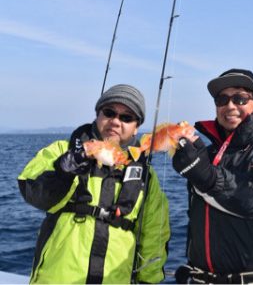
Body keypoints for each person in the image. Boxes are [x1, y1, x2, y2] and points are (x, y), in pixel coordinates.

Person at [18, 84, 170, 284]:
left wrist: (148, 280)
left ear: (137, 127)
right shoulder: (62, 150)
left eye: (126, 118)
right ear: (97, 114)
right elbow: (32, 192)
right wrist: (65, 170)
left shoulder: (146, 176)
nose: (115, 121)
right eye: (109, 112)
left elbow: (154, 236)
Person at [171, 68, 253, 284]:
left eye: (240, 98)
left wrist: (209, 178)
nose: (230, 105)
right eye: (222, 99)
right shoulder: (207, 154)